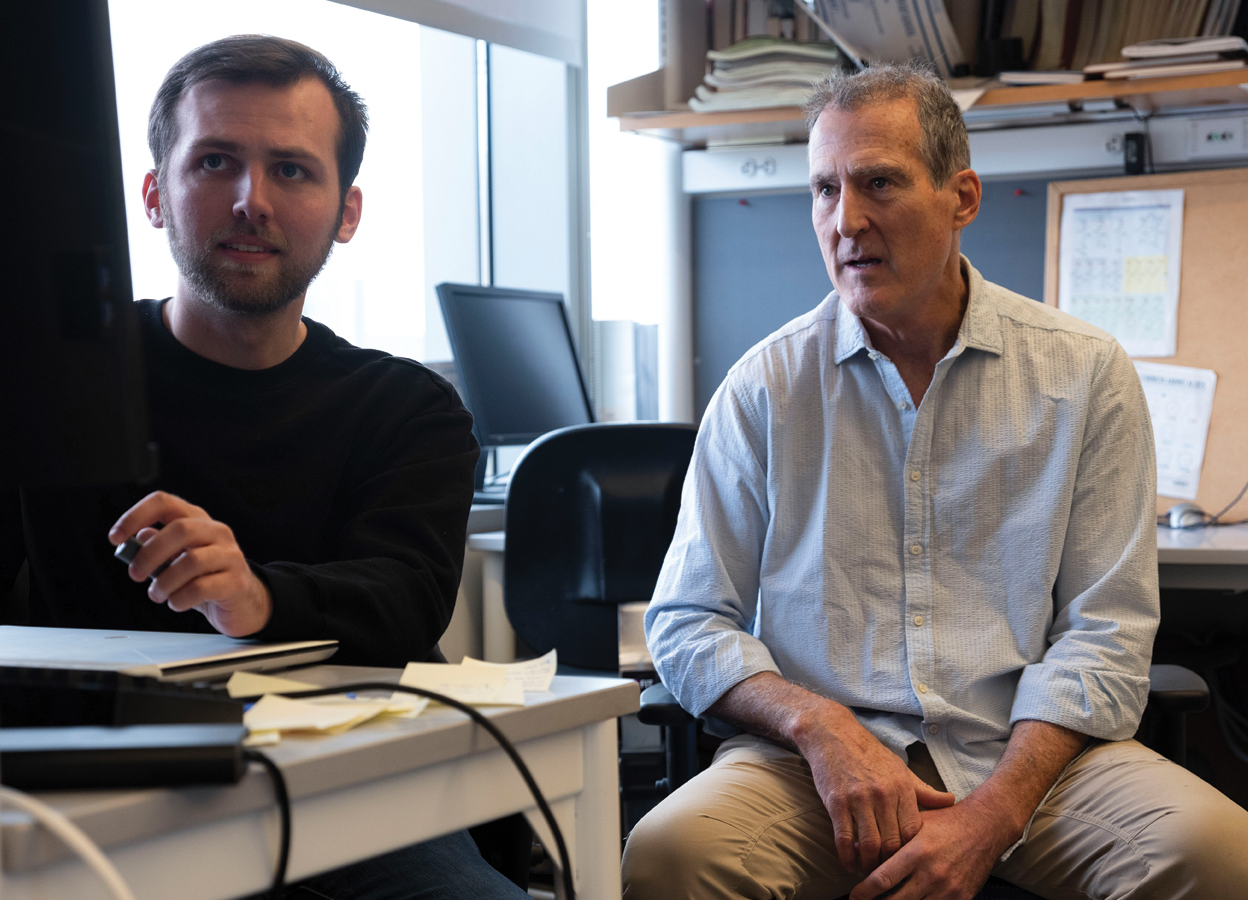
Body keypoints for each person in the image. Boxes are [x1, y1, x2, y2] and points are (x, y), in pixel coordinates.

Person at [623, 63, 1248, 900]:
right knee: (673, 853)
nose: (846, 220)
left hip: (1031, 763)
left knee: (1216, 851)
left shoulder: (1085, 374)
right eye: (823, 189)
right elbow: (688, 619)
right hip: (815, 775)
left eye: (878, 182)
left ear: (962, 198)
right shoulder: (763, 388)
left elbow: (1107, 634)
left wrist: (992, 816)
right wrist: (819, 727)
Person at [0, 35, 527, 900]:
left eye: (291, 170)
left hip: (349, 806)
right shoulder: (47, 381)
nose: (251, 201)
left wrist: (257, 600)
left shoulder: (409, 407)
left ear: (346, 212)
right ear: (153, 196)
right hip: (95, 805)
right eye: (214, 161)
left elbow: (406, 597)